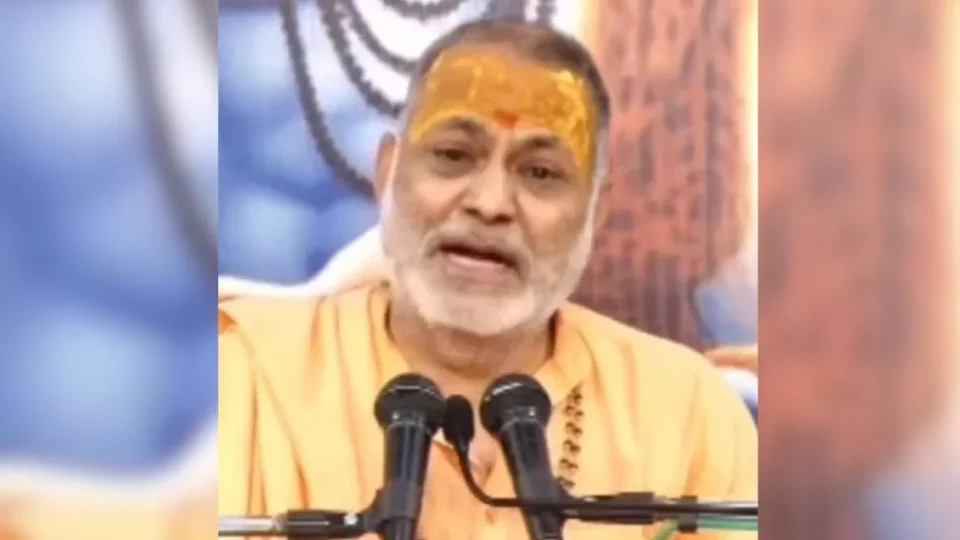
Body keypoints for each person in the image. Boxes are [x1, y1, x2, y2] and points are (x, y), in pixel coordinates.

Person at [219, 19, 757, 540]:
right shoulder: (247, 376)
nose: (490, 203)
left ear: (595, 213)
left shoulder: (688, 412)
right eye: (453, 155)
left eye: (540, 172)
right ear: (387, 173)